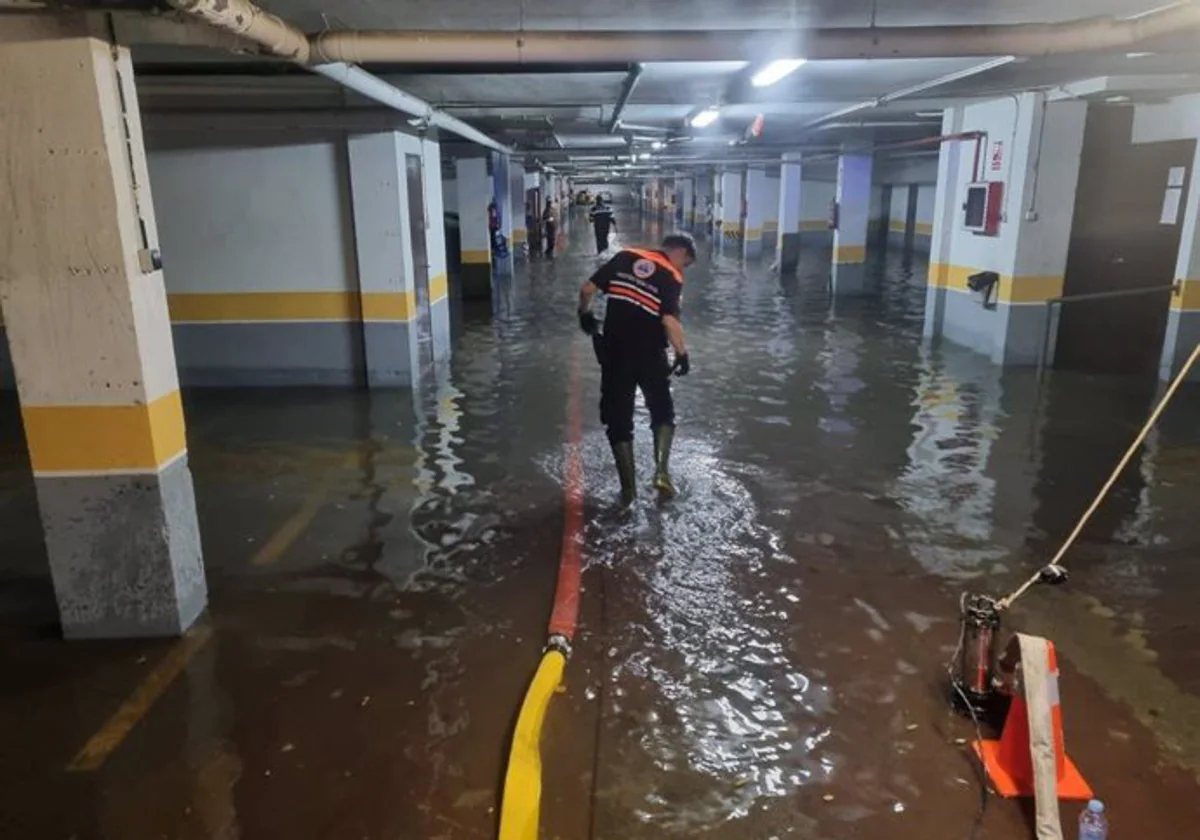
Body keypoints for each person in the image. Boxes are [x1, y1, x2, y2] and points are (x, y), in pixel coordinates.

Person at [577, 232, 696, 507]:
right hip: (650, 355)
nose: (683, 270)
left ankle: (628, 492)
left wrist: (584, 314)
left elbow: (586, 290)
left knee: (617, 420)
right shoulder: (670, 276)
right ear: (680, 253)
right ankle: (662, 473)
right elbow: (669, 321)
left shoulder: (624, 257)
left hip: (615, 353)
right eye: (686, 264)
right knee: (662, 410)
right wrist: (681, 353)